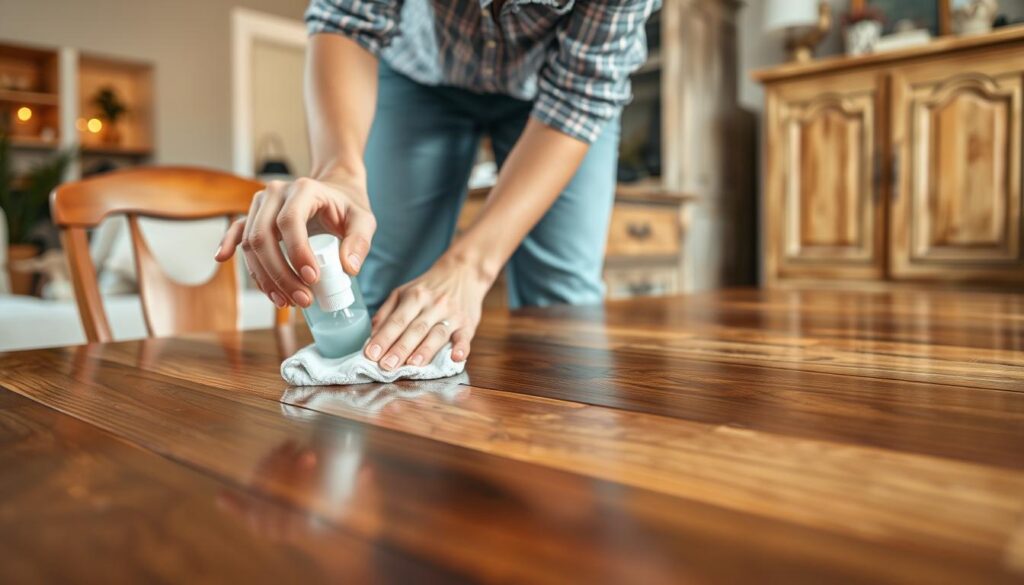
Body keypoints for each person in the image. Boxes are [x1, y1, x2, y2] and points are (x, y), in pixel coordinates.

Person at [216, 0, 660, 370]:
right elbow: (345, 17)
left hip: (558, 91)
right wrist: (339, 172)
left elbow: (581, 93)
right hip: (418, 75)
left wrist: (471, 267)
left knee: (564, 300)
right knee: (385, 289)